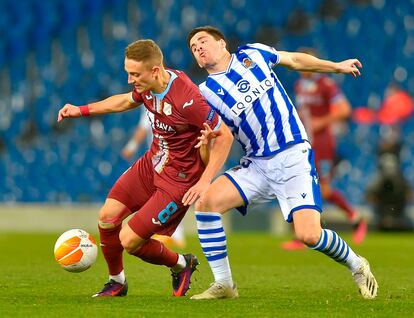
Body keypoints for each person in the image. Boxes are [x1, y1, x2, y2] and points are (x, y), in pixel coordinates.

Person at [186, 26, 378, 300]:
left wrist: (335, 66)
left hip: (292, 155)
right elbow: (216, 145)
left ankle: (357, 264)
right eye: (193, 48)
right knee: (205, 203)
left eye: (202, 41)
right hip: (256, 164)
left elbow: (296, 60)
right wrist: (206, 144)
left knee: (309, 235)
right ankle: (224, 284)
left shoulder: (252, 53)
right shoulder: (205, 94)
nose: (199, 48)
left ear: (222, 43)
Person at [57, 39, 233, 297]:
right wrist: (81, 110)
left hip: (179, 179)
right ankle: (117, 281)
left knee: (129, 241)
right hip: (152, 163)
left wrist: (205, 180)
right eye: (128, 73)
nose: (130, 80)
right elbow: (126, 101)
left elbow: (224, 136)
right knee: (107, 217)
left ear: (155, 70)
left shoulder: (188, 99)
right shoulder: (148, 85)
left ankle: (182, 264)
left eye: (134, 74)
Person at [281, 48, 367, 251]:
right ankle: (300, 234)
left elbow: (345, 109)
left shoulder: (326, 84)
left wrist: (322, 121)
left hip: (323, 142)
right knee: (295, 182)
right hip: (304, 141)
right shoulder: (300, 85)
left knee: (325, 189)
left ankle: (355, 217)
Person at [122, 107, 187, 249]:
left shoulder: (154, 102)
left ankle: (170, 234)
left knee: (165, 194)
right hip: (161, 156)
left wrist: (131, 147)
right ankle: (175, 233)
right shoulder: (157, 100)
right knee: (168, 194)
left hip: (166, 156)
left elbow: (143, 129)